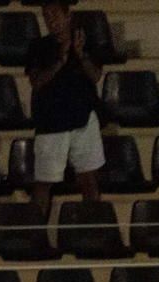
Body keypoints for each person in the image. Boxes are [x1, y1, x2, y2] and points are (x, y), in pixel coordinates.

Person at [25, 0, 105, 222]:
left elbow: (96, 76)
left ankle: (94, 232)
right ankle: (35, 238)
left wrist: (80, 56)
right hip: (51, 123)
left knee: (89, 180)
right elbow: (37, 81)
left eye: (54, 15)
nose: (51, 21)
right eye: (46, 16)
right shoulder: (39, 46)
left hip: (84, 119)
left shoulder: (85, 42)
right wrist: (60, 60)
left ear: (68, 14)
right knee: (43, 183)